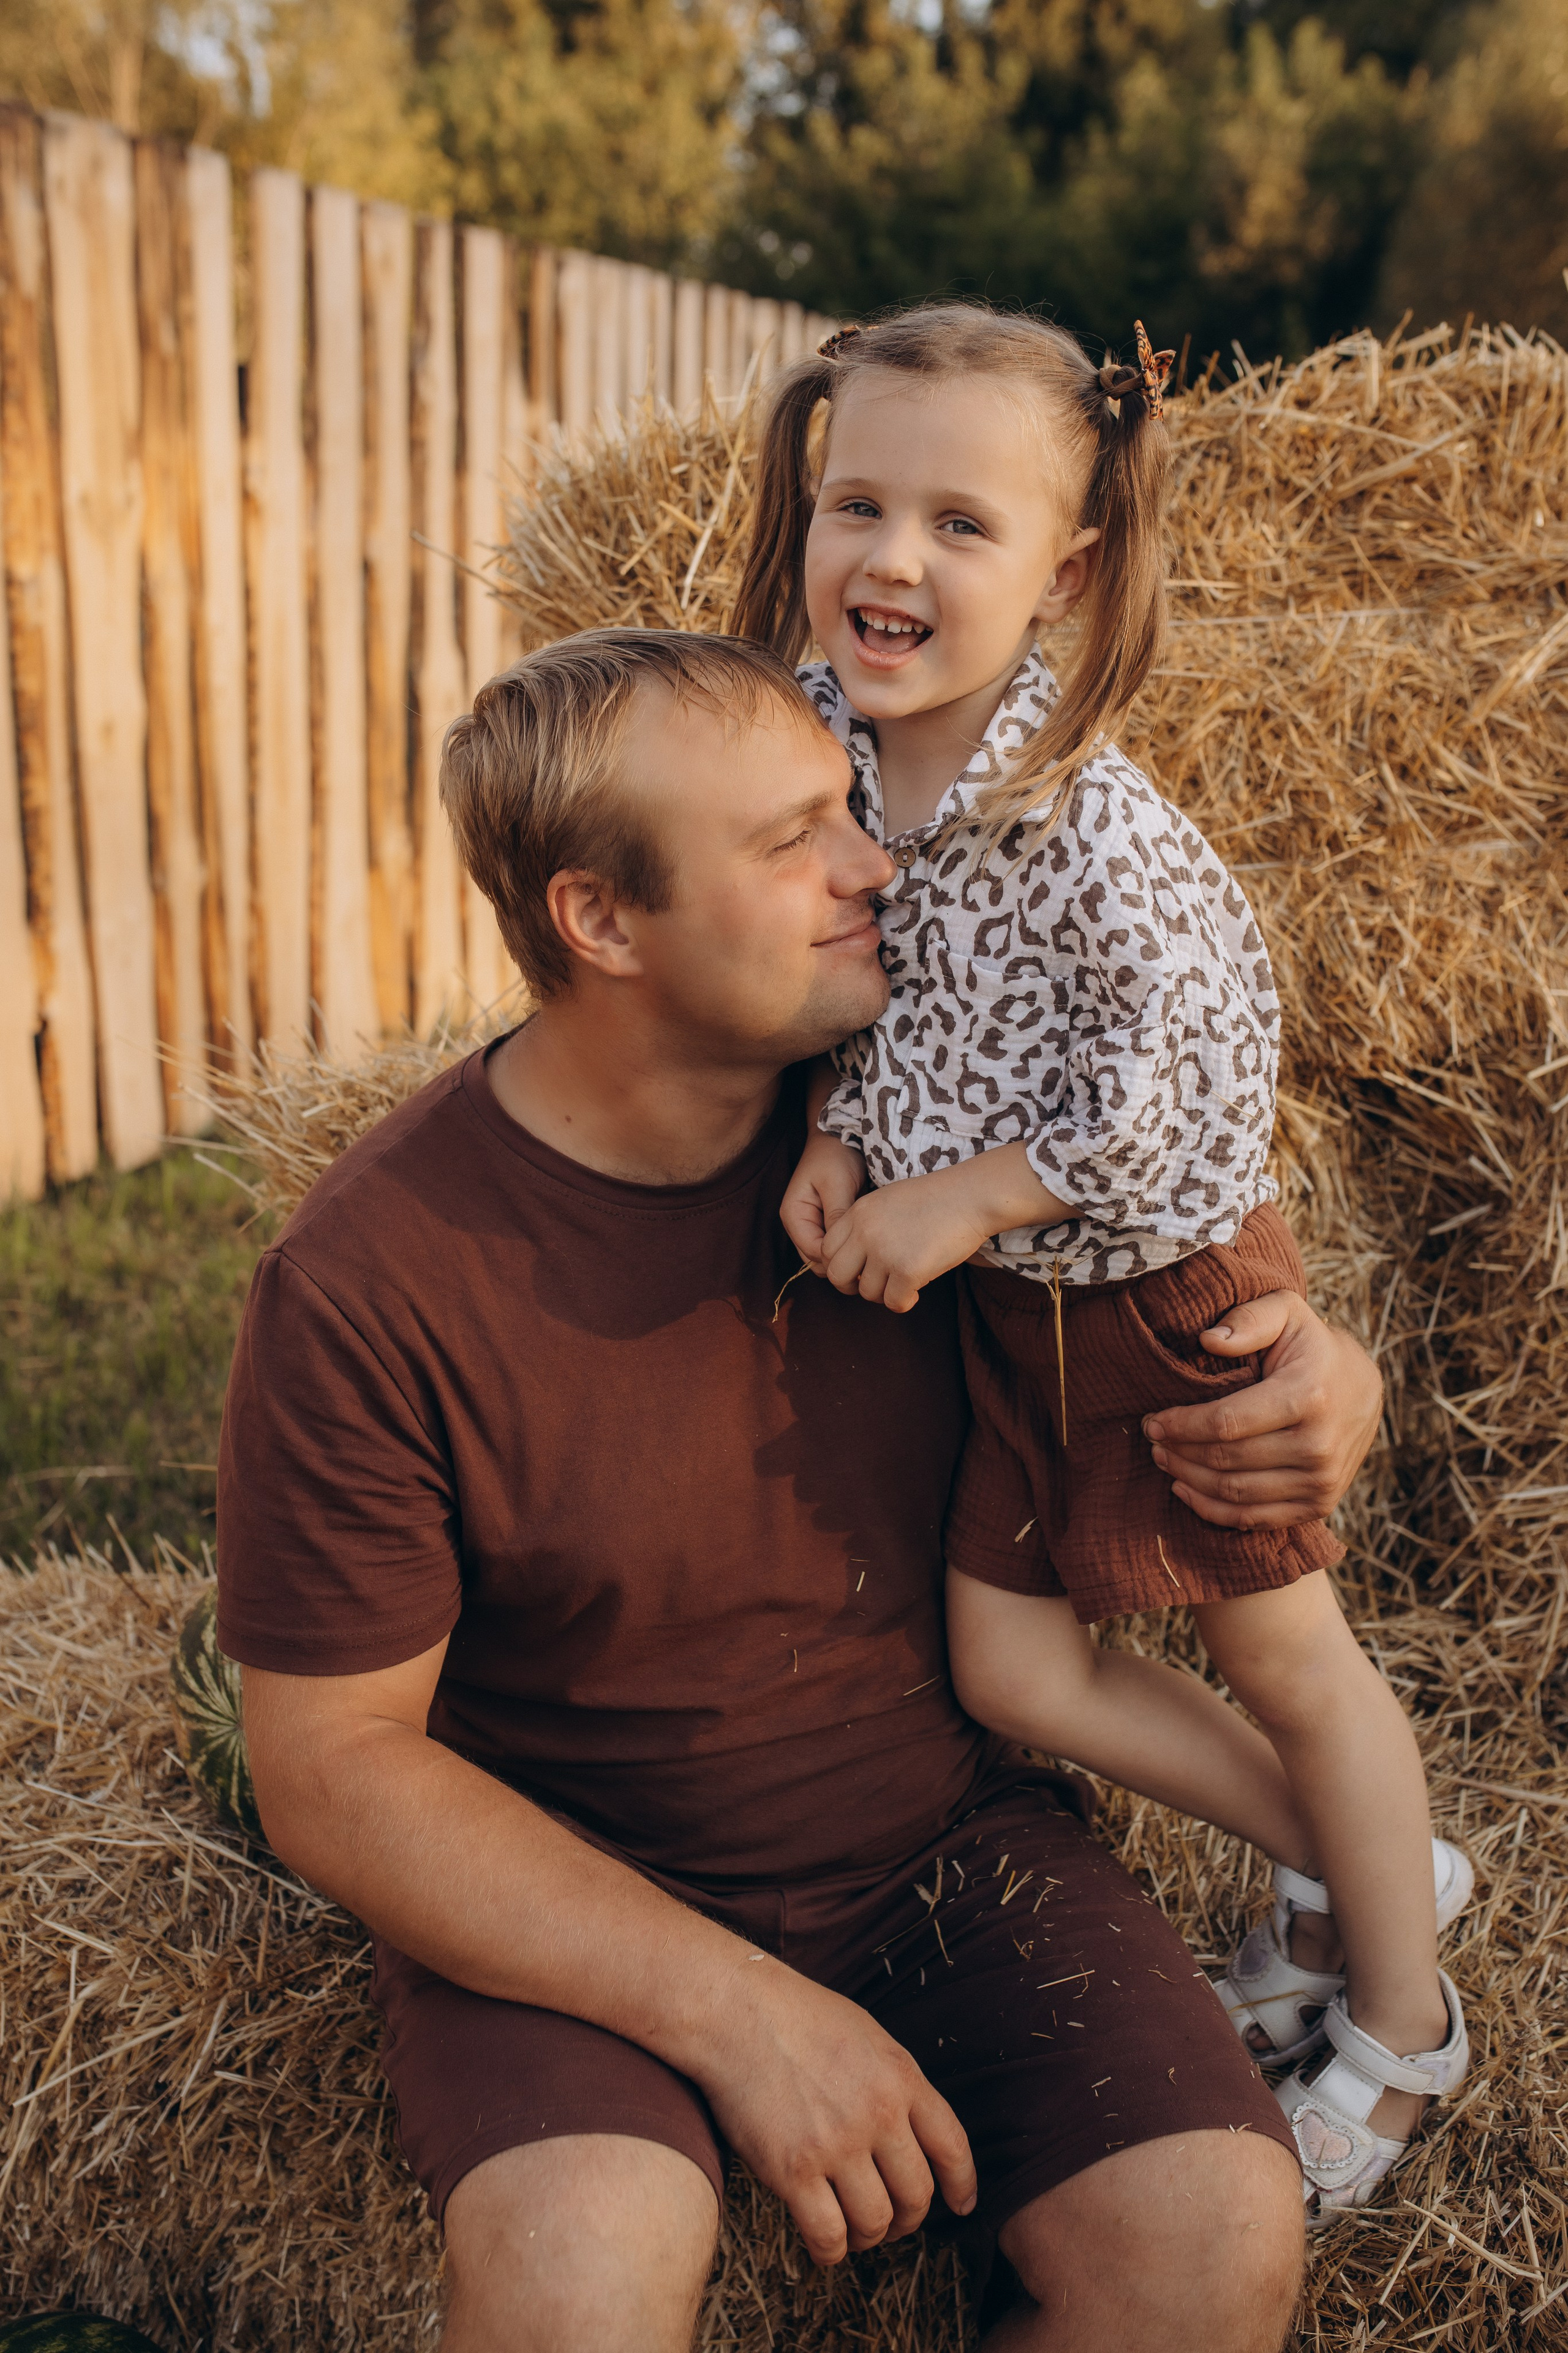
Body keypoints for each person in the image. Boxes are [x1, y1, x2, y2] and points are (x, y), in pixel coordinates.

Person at [218, 629, 1385, 2353]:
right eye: (794, 842)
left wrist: (1322, 1372)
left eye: (851, 805)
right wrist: (741, 2013)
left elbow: (1185, 1248)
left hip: (945, 1842)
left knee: (1209, 2234)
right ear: (600, 923)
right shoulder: (370, 1282)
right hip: (580, 1877)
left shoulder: (940, 1126)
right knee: (576, 2275)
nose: (877, 864)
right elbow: (328, 1772)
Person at [739, 304, 1471, 2220]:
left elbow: (1201, 1085)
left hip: (1150, 1288)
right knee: (1016, 1665)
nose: (890, 560)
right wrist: (833, 1129)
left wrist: (964, 1195)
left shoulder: (1088, 819)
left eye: (960, 526)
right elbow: (855, 989)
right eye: (856, 505)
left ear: (1064, 569)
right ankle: (1350, 1856)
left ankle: (1401, 2025)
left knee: (1283, 1648)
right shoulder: (817, 736)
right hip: (1011, 1311)